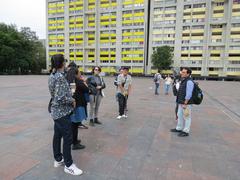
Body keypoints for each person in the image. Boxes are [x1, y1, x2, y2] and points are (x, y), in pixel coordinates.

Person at [48, 54, 82, 176]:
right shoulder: (60, 77)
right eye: (65, 61)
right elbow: (60, 97)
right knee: (67, 138)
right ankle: (69, 165)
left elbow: (56, 95)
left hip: (56, 112)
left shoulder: (52, 75)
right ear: (62, 63)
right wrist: (72, 100)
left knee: (57, 135)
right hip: (62, 112)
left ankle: (58, 159)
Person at [170, 67, 194, 137]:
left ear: (188, 74)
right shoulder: (184, 80)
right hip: (181, 102)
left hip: (186, 103)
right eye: (182, 72)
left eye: (184, 72)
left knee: (187, 117)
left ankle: (186, 131)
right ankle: (179, 128)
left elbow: (189, 93)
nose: (181, 73)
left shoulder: (189, 81)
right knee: (179, 115)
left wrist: (185, 102)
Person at [70, 69, 89, 150]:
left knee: (74, 124)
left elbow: (72, 92)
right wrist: (84, 81)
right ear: (76, 74)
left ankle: (74, 140)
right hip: (78, 105)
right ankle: (74, 143)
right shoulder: (78, 81)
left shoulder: (72, 81)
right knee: (75, 124)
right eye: (80, 73)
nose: (81, 74)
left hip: (75, 104)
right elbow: (86, 89)